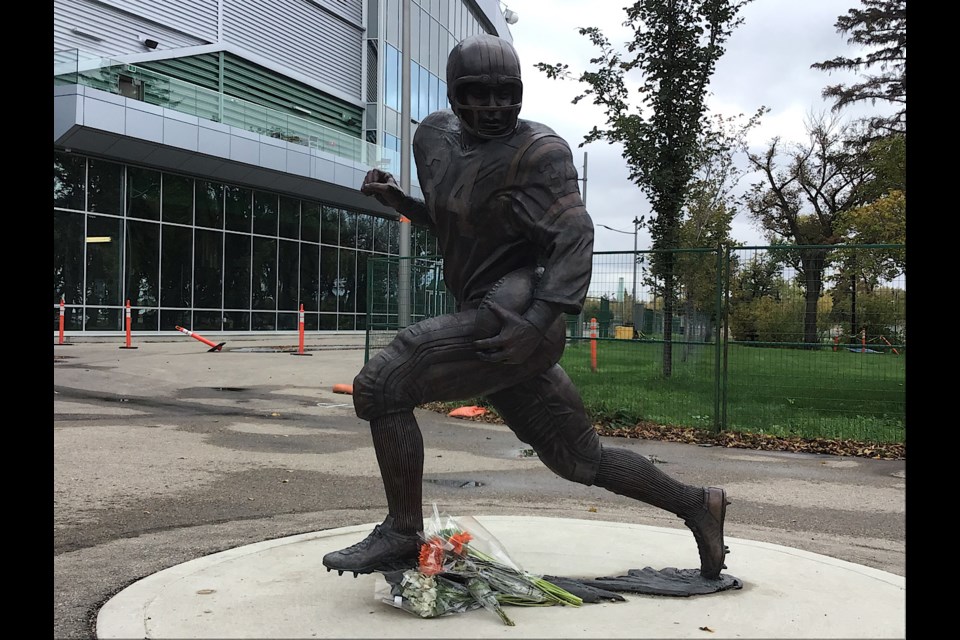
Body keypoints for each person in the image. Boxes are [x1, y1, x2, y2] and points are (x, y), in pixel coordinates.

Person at [322, 33, 730, 580]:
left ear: (520, 92)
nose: (491, 106)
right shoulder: (434, 138)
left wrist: (538, 321)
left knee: (382, 382)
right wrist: (402, 203)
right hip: (491, 324)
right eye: (476, 93)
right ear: (452, 93)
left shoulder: (540, 154)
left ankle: (401, 531)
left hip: (518, 317)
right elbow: (463, 216)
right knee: (578, 459)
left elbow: (574, 236)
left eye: (504, 93)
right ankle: (699, 504)